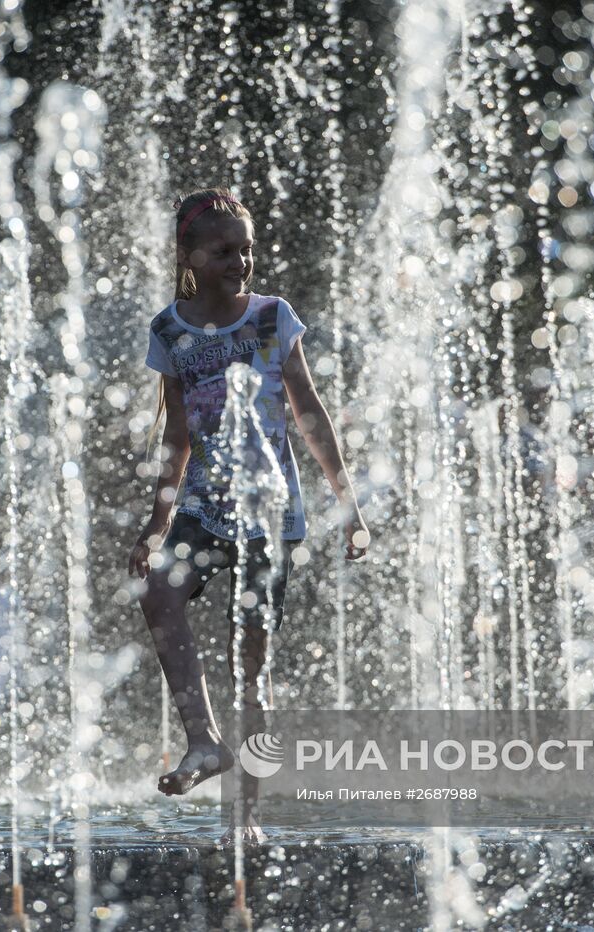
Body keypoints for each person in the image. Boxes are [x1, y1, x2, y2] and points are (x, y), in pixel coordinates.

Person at [127, 186, 370, 843]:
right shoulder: (170, 330)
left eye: (247, 250)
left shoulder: (270, 318)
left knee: (252, 666)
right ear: (189, 255)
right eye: (225, 250)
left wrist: (347, 504)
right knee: (158, 592)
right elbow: (175, 439)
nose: (240, 262)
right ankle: (203, 741)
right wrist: (156, 524)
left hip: (268, 515)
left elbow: (309, 413)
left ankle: (247, 816)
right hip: (204, 508)